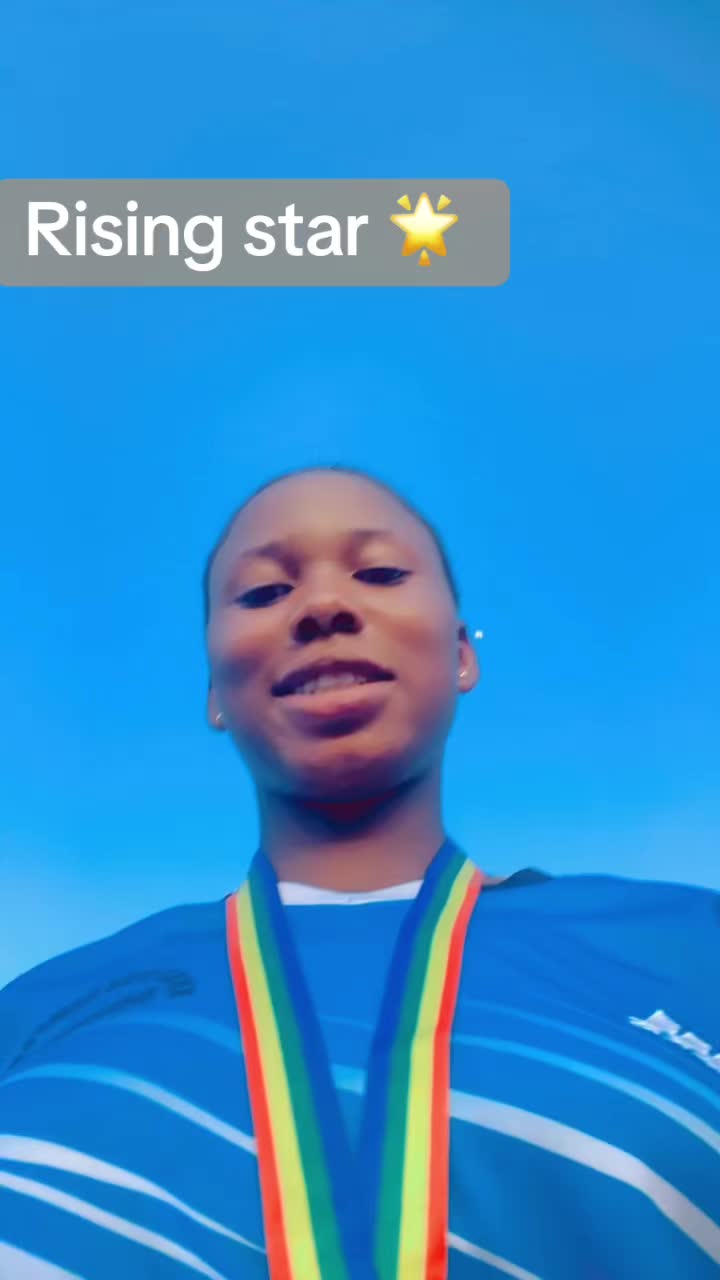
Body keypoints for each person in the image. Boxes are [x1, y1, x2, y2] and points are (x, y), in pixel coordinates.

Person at [0, 464, 718, 1280]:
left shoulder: (692, 949)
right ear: (215, 695)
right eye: (264, 592)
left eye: (378, 573)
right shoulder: (39, 1012)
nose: (323, 606)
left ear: (461, 655)